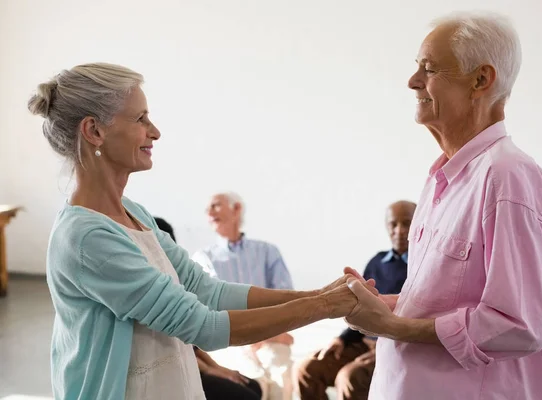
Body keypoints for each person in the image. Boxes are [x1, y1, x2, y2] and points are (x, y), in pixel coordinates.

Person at [29, 63, 373, 400]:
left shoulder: (132, 212)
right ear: (94, 131)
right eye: (140, 119)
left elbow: (205, 289)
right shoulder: (87, 237)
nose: (155, 131)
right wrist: (326, 306)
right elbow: (202, 326)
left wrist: (317, 296)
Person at [343, 12, 542, 400]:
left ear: (480, 80)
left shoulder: (508, 177)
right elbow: (444, 301)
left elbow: (518, 325)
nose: (412, 81)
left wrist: (395, 327)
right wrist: (385, 306)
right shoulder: (442, 178)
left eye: (428, 69)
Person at [295, 200, 416, 400]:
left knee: (349, 377)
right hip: (364, 339)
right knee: (307, 369)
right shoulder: (377, 262)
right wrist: (341, 339)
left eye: (407, 223)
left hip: (396, 345)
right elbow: (359, 308)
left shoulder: (422, 266)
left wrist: (383, 345)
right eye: (393, 224)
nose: (400, 231)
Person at [194, 192, 295, 399]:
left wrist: (268, 334)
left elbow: (287, 300)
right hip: (229, 340)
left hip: (271, 338)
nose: (209, 212)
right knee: (252, 383)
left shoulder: (268, 252)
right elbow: (204, 308)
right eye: (207, 208)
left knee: (279, 379)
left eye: (215, 206)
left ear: (237, 209)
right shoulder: (202, 258)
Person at [153, 217, 263, 400]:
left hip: (191, 362)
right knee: (245, 396)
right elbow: (183, 342)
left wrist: (218, 368)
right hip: (173, 369)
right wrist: (209, 371)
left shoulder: (174, 280)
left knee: (254, 387)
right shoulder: (152, 289)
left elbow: (191, 343)